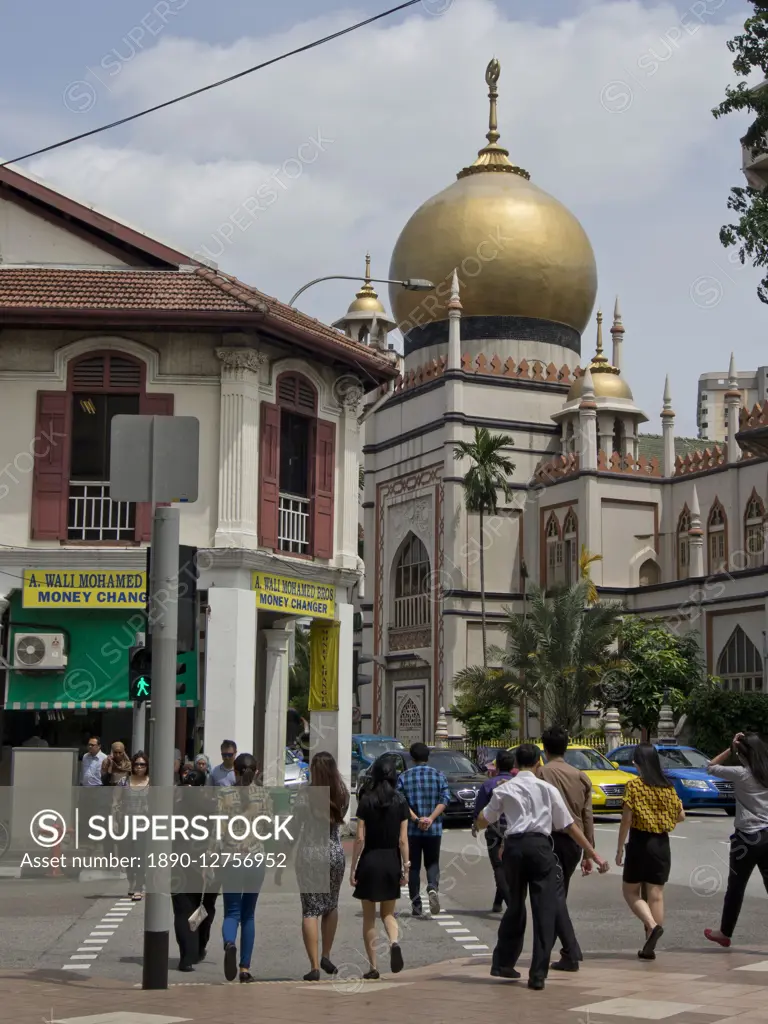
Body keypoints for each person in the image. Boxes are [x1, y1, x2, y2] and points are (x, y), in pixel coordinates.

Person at [476, 743, 609, 991]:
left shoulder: (506, 788)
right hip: (540, 848)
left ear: (515, 764)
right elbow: (569, 826)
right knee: (544, 909)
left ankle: (503, 963)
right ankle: (537, 974)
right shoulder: (547, 789)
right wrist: (594, 854)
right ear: (539, 762)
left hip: (514, 848)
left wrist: (481, 823)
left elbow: (485, 819)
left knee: (515, 906)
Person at [615, 743, 684, 960]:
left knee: (630, 892)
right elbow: (681, 816)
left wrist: (619, 849)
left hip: (640, 842)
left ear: (637, 762)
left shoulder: (634, 786)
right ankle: (649, 946)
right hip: (662, 844)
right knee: (656, 895)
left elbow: (626, 819)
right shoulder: (668, 786)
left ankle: (652, 926)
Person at [538, 727, 595, 972]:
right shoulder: (580, 775)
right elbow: (588, 815)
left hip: (550, 840)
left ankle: (570, 951)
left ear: (544, 748)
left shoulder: (541, 773)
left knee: (554, 896)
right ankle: (553, 949)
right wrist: (589, 851)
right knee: (558, 894)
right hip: (574, 843)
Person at [704, 732, 768, 948]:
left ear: (742, 754)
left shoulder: (741, 773)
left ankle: (725, 932)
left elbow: (710, 766)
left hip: (747, 838)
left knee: (736, 887)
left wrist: (730, 749)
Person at [350, 754, 410, 978]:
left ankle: (373, 967)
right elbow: (403, 840)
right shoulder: (400, 801)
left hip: (370, 859)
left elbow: (359, 839)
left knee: (368, 917)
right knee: (388, 913)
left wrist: (353, 868)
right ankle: (394, 942)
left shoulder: (366, 800)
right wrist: (406, 868)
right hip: (391, 860)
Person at [294, 751, 349, 981]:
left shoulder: (304, 795)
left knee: (310, 910)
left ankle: (315, 966)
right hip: (334, 853)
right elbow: (340, 819)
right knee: (331, 906)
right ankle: (326, 954)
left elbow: (295, 826)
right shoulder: (342, 793)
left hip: (310, 853)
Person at [217, 753, 271, 983]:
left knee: (232, 912)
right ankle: (245, 968)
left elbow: (218, 830)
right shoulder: (264, 795)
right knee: (249, 914)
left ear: (235, 771)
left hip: (231, 858)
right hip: (255, 858)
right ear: (256, 771)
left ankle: (229, 943)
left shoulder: (225, 794)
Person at [171, 769, 219, 971]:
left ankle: (186, 956)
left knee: (183, 910)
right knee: (206, 906)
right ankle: (199, 946)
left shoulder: (173, 808)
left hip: (178, 861)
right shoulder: (212, 807)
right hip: (207, 862)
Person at [396, 742, 450, 917]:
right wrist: (431, 818)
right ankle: (432, 887)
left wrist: (417, 819)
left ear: (411, 758)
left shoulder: (404, 777)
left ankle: (416, 905)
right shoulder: (439, 775)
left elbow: (401, 801)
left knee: (413, 867)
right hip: (433, 829)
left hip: (412, 829)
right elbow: (445, 799)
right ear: (428, 757)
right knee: (432, 862)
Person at [473, 748, 517, 912]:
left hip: (494, 829)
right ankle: (498, 903)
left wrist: (475, 824)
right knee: (507, 867)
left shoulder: (488, 784)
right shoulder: (517, 783)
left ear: (496, 765)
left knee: (499, 867)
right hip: (513, 829)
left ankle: (511, 904)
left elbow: (480, 809)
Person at [115, 751, 150, 900]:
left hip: (144, 824)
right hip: (126, 823)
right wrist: (114, 821)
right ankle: (132, 880)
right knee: (127, 856)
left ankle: (139, 886)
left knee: (139, 855)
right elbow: (115, 802)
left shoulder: (151, 782)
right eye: (137, 764)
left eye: (142, 764)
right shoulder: (124, 782)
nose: (139, 767)